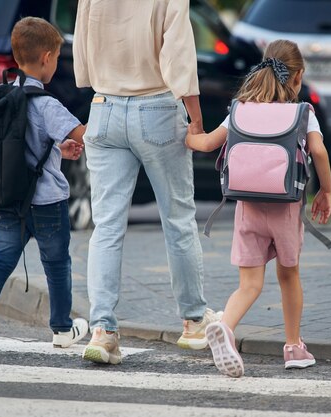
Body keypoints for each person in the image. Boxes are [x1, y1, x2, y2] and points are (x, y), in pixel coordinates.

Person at [72, 0, 221, 365]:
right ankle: (194, 320)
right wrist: (197, 121)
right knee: (178, 221)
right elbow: (179, 59)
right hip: (156, 104)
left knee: (105, 226)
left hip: (103, 106)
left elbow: (81, 54)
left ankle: (103, 330)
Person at [186, 40, 331, 377]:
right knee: (288, 275)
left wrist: (188, 134)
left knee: (249, 284)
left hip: (247, 207)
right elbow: (320, 153)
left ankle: (226, 326)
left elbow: (207, 143)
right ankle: (294, 347)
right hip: (285, 209)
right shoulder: (302, 113)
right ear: (296, 78)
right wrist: (325, 190)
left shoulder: (239, 109)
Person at [0, 16, 89, 354]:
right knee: (57, 262)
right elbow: (86, 136)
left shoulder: (6, 97)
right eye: (57, 58)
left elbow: (22, 145)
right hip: (48, 202)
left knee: (2, 258)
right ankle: (62, 328)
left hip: (10, 198)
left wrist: (58, 151)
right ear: (47, 58)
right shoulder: (48, 104)